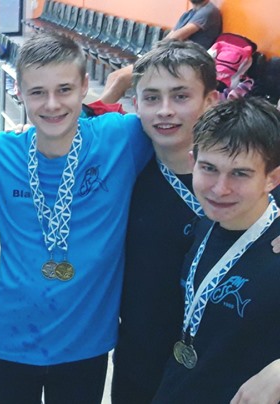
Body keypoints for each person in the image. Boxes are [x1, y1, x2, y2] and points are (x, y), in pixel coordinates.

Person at [0, 33, 153, 403]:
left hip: (84, 342)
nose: (52, 104)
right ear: (19, 92)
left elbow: (196, 133)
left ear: (85, 86)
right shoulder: (1, 153)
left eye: (65, 89)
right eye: (37, 92)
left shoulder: (122, 138)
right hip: (7, 335)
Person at [112, 40, 220, 403]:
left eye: (181, 96)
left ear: (211, 101)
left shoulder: (246, 184)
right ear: (136, 105)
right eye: (152, 97)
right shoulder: (124, 174)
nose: (165, 111)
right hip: (139, 366)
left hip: (224, 371)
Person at [153, 97, 280, 403]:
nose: (220, 189)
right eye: (209, 168)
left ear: (272, 178)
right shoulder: (205, 224)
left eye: (240, 174)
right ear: (193, 162)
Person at [99, 0, 222, 104]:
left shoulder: (208, 12)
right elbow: (170, 36)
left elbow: (176, 36)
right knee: (113, 76)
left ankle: (94, 114)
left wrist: (156, 52)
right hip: (169, 58)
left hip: (184, 64)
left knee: (122, 79)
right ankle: (97, 111)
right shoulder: (189, 14)